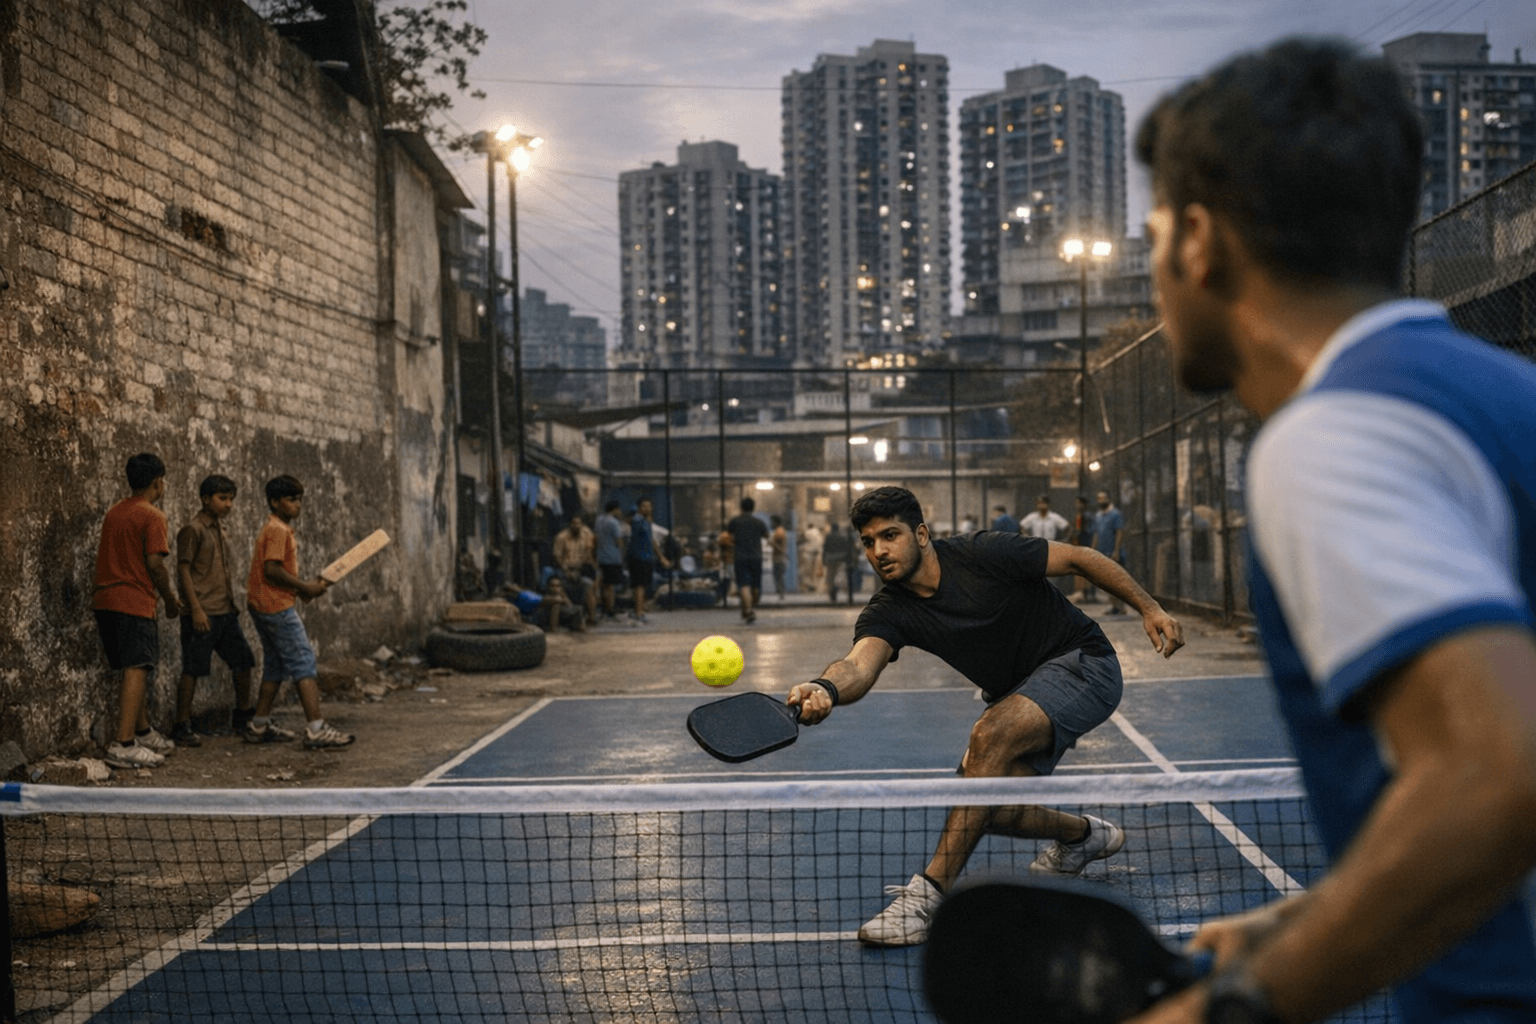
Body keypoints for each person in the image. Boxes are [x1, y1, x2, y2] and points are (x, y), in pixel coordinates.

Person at [1127, 38, 1536, 1024]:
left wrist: (1240, 1001)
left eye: (1149, 241)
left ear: (1197, 240)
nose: (1153, 273)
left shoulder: (1334, 435)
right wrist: (1304, 920)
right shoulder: (1506, 395)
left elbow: (1498, 767)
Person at [786, 486, 1184, 947]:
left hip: (1084, 664)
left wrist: (1150, 608)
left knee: (989, 734)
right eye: (869, 542)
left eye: (889, 535)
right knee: (984, 807)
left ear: (920, 533)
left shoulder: (983, 553)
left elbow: (1078, 558)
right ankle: (1084, 837)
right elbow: (858, 664)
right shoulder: (891, 610)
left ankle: (927, 896)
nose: (879, 551)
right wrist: (825, 687)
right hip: (1019, 692)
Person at [244, 475, 353, 750]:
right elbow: (272, 570)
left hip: (264, 604)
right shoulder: (278, 530)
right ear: (274, 502)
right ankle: (316, 728)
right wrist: (304, 586)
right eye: (291, 500)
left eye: (299, 500)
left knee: (276, 665)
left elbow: (276, 572)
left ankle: (258, 724)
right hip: (276, 607)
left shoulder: (275, 528)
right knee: (303, 661)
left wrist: (303, 591)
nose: (297, 506)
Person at [91, 452, 183, 769]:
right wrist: (170, 600)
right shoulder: (153, 516)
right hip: (134, 601)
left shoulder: (115, 513)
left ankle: (141, 731)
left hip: (105, 601)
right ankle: (124, 744)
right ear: (158, 483)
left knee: (133, 667)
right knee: (138, 667)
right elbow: (156, 565)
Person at [172, 474, 257, 746]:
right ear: (205, 499)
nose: (229, 504)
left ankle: (243, 716)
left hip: (225, 611)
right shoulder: (193, 529)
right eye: (223, 498)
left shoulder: (220, 529)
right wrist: (194, 610)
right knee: (193, 668)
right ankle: (181, 724)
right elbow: (183, 570)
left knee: (243, 659)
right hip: (202, 612)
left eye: (231, 499)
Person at [724, 497, 769, 624]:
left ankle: (747, 610)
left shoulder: (735, 522)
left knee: (744, 584)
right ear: (753, 508)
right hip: (756, 557)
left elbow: (730, 538)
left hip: (740, 557)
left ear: (741, 507)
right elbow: (766, 536)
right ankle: (749, 609)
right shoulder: (759, 522)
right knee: (755, 587)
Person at [625, 497, 668, 623]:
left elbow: (652, 540)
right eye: (644, 506)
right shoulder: (637, 520)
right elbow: (631, 523)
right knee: (639, 586)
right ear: (639, 508)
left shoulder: (646, 521)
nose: (648, 508)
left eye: (649, 506)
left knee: (641, 585)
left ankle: (639, 610)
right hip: (638, 557)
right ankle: (639, 613)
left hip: (646, 557)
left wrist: (661, 557)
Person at [553, 513, 597, 627]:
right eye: (574, 523)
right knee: (558, 586)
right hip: (565, 568)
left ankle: (592, 618)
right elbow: (557, 556)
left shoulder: (586, 534)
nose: (577, 526)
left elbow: (590, 551)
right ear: (570, 525)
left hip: (581, 568)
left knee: (588, 585)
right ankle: (567, 616)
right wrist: (566, 570)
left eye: (579, 524)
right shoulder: (562, 537)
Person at [1091, 490, 1126, 614]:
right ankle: (1114, 606)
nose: (1101, 500)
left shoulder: (1116, 514)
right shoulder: (1098, 516)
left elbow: (1119, 532)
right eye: (1099, 498)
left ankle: (1120, 606)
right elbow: (1096, 534)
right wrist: (1092, 551)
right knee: (1108, 581)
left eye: (1103, 498)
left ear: (1109, 499)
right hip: (1102, 552)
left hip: (1113, 553)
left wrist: (1116, 551)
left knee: (1117, 580)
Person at [594, 500, 626, 623]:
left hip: (601, 556)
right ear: (615, 509)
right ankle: (610, 610)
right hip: (612, 558)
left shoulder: (599, 520)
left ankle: (605, 609)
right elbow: (619, 541)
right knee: (610, 586)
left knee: (605, 584)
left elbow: (596, 537)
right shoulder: (614, 522)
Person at [822, 520, 850, 604]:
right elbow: (846, 548)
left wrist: (824, 559)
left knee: (830, 577)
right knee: (839, 577)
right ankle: (836, 590)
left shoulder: (828, 536)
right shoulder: (842, 537)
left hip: (830, 559)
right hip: (840, 559)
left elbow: (825, 548)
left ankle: (832, 593)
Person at [800, 522, 824, 593]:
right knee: (814, 572)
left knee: (806, 571)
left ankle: (809, 585)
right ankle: (814, 585)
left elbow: (802, 537)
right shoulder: (817, 532)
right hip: (817, 553)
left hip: (808, 554)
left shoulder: (808, 532)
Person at [770, 515, 789, 601]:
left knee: (779, 577)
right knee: (778, 576)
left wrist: (771, 543)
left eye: (772, 522)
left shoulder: (779, 532)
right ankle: (781, 595)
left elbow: (780, 548)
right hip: (779, 558)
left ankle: (781, 595)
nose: (771, 523)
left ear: (776, 522)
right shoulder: (780, 531)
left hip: (779, 559)